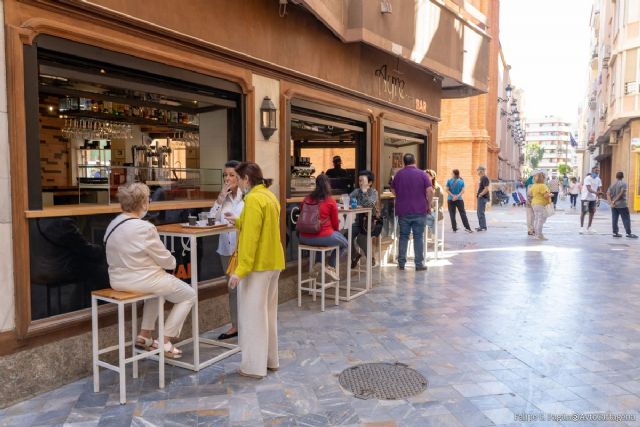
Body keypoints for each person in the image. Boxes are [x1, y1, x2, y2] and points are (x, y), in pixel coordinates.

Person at [105, 183, 196, 359]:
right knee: (189, 295)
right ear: (143, 203)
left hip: (117, 280)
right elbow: (166, 261)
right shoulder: (145, 228)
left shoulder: (113, 224)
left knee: (156, 294)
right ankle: (164, 340)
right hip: (143, 280)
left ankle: (144, 336)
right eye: (148, 200)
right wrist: (173, 260)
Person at [226, 162, 285, 379]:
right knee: (268, 314)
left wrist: (239, 271)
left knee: (252, 318)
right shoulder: (269, 196)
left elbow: (250, 240)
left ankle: (253, 367)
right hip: (274, 262)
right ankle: (271, 361)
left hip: (257, 266)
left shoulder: (252, 200)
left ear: (246, 180)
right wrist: (239, 220)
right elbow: (262, 226)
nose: (238, 184)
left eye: (239, 179)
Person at [210, 160, 243, 340]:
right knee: (232, 289)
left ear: (240, 177)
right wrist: (220, 197)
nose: (228, 179)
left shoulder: (247, 197)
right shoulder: (224, 198)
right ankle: (235, 325)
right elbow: (211, 218)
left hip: (242, 249)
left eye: (231, 175)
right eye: (225, 175)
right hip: (225, 249)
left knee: (246, 288)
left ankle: (249, 324)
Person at [298, 174, 348, 279]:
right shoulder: (330, 201)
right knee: (345, 244)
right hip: (323, 236)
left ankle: (318, 263)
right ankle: (331, 266)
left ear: (316, 184)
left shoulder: (306, 199)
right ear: (327, 185)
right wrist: (335, 233)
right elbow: (335, 224)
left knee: (321, 243)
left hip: (303, 237)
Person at [390, 153, 433, 271]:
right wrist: (428, 205)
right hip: (420, 210)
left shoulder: (398, 174)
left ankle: (401, 264)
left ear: (404, 162)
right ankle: (419, 264)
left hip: (403, 211)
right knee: (418, 237)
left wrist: (400, 196)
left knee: (403, 236)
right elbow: (429, 190)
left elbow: (392, 189)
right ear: (415, 161)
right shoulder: (422, 174)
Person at [348, 170, 379, 268]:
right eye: (359, 180)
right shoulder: (357, 191)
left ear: (369, 182)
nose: (360, 183)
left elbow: (369, 205)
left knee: (361, 239)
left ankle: (371, 258)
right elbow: (348, 199)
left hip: (370, 223)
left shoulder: (373, 192)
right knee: (346, 235)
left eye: (362, 181)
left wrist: (365, 192)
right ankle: (355, 255)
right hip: (358, 222)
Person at [607, 171, 638, 239]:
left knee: (614, 218)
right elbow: (621, 194)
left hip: (614, 205)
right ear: (623, 176)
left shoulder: (612, 184)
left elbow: (608, 194)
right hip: (622, 205)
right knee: (626, 218)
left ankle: (615, 232)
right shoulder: (624, 184)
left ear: (616, 176)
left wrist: (611, 203)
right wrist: (614, 201)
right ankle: (628, 233)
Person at [529, 172, 552, 240]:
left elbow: (530, 194)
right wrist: (550, 195)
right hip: (541, 204)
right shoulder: (543, 186)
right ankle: (539, 235)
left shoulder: (534, 185)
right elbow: (545, 195)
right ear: (543, 178)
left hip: (534, 204)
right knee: (541, 220)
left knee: (536, 219)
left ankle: (537, 234)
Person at [580, 166, 602, 234]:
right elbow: (589, 189)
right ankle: (581, 228)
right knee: (584, 212)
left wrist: (599, 199)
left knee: (592, 212)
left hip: (593, 199)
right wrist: (597, 193)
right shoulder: (587, 178)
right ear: (592, 171)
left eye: (598, 171)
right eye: (596, 171)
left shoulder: (598, 179)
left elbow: (600, 189)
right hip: (585, 198)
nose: (597, 172)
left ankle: (589, 227)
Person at [425, 169, 444, 234]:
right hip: (425, 210)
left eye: (427, 176)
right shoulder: (423, 186)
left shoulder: (438, 188)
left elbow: (440, 202)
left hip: (436, 210)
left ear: (432, 177)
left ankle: (430, 234)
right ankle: (430, 234)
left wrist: (433, 208)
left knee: (430, 216)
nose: (425, 178)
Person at [476, 165, 490, 231]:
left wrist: (480, 194)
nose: (477, 172)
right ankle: (482, 226)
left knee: (480, 212)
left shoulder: (484, 178)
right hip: (481, 197)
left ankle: (483, 227)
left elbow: (486, 188)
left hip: (482, 198)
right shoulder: (482, 178)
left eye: (478, 170)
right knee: (479, 212)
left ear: (481, 171)